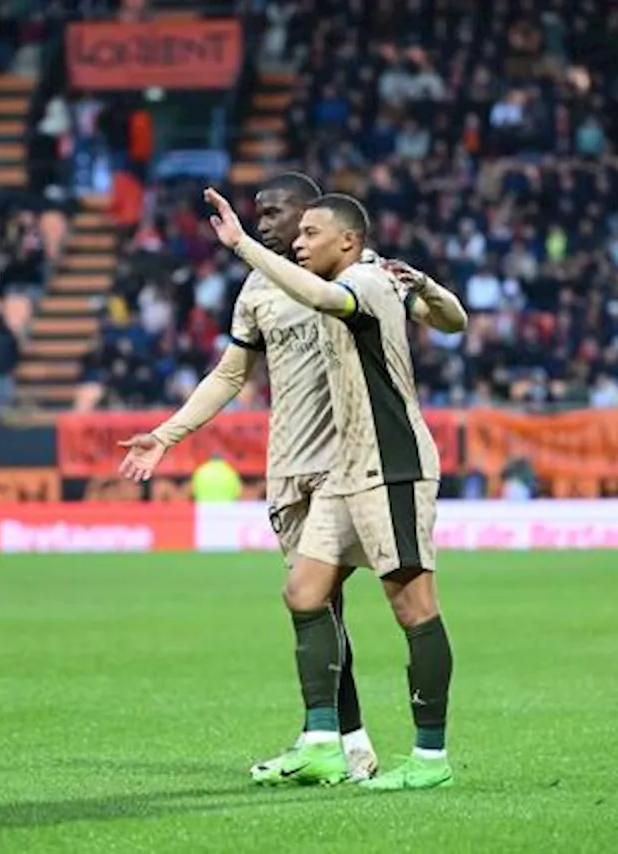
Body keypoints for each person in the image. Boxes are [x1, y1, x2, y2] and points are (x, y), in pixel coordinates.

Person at [118, 174, 464, 785]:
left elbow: (445, 320)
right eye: (268, 218)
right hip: (297, 473)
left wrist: (429, 288)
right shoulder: (261, 289)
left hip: (372, 463)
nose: (276, 226)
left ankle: (428, 755)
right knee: (312, 599)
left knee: (409, 605)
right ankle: (334, 741)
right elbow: (230, 375)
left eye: (286, 216)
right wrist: (167, 434)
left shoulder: (366, 277)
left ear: (327, 224)